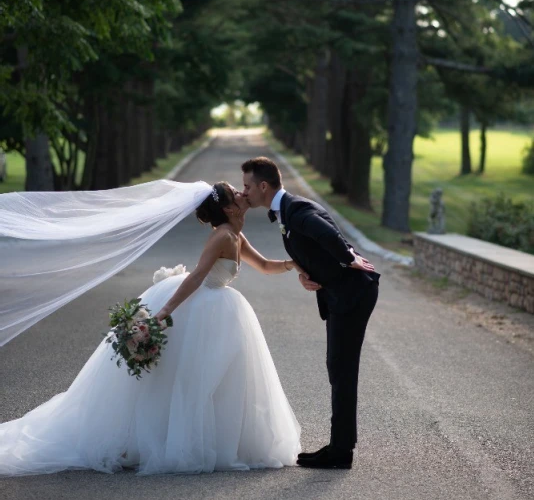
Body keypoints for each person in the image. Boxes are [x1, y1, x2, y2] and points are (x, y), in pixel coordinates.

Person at [0, 182, 301, 476]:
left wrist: (295, 264)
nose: (241, 193)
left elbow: (264, 265)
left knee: (218, 376)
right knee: (188, 378)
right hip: (202, 306)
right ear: (226, 207)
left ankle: (220, 439)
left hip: (221, 306)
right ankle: (163, 439)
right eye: (235, 193)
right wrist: (165, 312)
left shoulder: (237, 235)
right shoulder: (221, 236)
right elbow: (197, 277)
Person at [242, 157, 379, 470]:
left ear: (263, 186)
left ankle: (340, 451)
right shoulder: (286, 210)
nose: (244, 192)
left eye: (247, 186)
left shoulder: (297, 209)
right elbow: (307, 245)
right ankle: (339, 446)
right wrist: (305, 273)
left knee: (342, 368)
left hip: (353, 293)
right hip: (338, 294)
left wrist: (348, 258)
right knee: (337, 367)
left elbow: (326, 234)